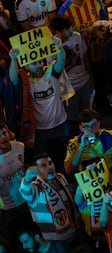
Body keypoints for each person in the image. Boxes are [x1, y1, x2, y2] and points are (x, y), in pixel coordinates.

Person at [9, 37, 69, 173]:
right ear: (26, 66)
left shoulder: (51, 73)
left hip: (61, 125)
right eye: (34, 63)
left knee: (64, 160)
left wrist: (59, 47)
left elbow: (61, 62)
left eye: (39, 61)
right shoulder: (26, 82)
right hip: (41, 131)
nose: (39, 65)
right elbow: (13, 79)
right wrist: (13, 59)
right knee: (44, 166)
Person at [19, 153, 79, 243]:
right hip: (55, 240)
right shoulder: (35, 187)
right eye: (43, 165)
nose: (50, 167)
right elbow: (25, 193)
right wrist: (27, 178)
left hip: (74, 231)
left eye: (50, 163)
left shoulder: (60, 177)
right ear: (36, 170)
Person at [50, 15, 94, 136]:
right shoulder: (51, 46)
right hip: (69, 88)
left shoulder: (77, 36)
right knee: (73, 119)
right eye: (67, 28)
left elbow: (84, 56)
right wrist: (72, 64)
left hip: (85, 82)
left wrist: (91, 77)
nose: (71, 30)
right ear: (58, 32)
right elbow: (54, 71)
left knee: (88, 114)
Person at [64, 108, 112, 186]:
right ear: (81, 128)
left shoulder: (111, 136)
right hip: (92, 188)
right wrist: (81, 148)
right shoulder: (74, 144)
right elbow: (68, 170)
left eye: (93, 125)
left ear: (99, 124)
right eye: (86, 127)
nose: (90, 130)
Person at [0, 123, 33, 251]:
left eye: (4, 133)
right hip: (8, 210)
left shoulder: (20, 147)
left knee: (33, 236)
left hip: (27, 201)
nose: (3, 137)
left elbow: (30, 165)